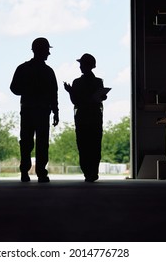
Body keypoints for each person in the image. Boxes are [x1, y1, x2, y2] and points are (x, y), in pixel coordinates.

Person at [10, 37, 59, 183]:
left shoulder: (23, 68)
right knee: (41, 143)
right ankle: (41, 173)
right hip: (41, 112)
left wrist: (27, 89)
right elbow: (53, 94)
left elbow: (14, 88)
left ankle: (25, 172)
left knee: (26, 142)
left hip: (28, 110)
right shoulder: (48, 71)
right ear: (40, 51)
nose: (48, 54)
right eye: (47, 50)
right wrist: (56, 112)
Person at [64, 53, 108, 182]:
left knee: (84, 145)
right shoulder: (98, 81)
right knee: (94, 144)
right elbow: (100, 98)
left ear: (87, 66)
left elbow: (75, 101)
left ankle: (89, 172)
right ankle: (92, 172)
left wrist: (71, 91)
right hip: (94, 116)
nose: (80, 67)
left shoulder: (77, 82)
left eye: (82, 64)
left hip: (83, 117)